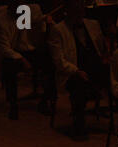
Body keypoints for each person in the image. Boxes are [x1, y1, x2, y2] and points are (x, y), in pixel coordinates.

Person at [48, 0, 110, 138]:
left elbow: (100, 49)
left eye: (80, 8)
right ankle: (79, 122)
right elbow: (59, 61)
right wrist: (76, 70)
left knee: (116, 76)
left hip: (94, 68)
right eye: (75, 9)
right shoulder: (58, 30)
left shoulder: (93, 24)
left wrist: (106, 57)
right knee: (78, 83)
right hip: (72, 72)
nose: (79, 12)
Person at [0, 0, 55, 119]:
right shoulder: (1, 21)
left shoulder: (25, 12)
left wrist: (45, 22)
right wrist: (22, 59)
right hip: (11, 53)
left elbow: (34, 26)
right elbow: (4, 48)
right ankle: (13, 105)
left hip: (25, 49)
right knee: (10, 67)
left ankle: (44, 101)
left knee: (51, 62)